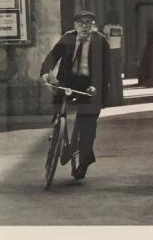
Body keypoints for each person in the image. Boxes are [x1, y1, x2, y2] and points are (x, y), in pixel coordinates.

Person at [40, 10, 111, 179]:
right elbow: (53, 56)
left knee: (87, 125)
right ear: (75, 25)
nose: (85, 26)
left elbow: (106, 69)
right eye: (81, 23)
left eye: (88, 23)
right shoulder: (68, 38)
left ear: (93, 26)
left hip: (90, 85)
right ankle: (58, 135)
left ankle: (83, 162)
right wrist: (45, 72)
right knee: (60, 108)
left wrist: (96, 88)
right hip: (69, 81)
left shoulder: (100, 41)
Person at [102, 8, 124, 106]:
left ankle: (113, 99)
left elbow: (104, 38)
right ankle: (120, 99)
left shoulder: (106, 27)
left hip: (110, 51)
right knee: (118, 75)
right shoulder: (120, 28)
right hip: (118, 51)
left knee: (111, 76)